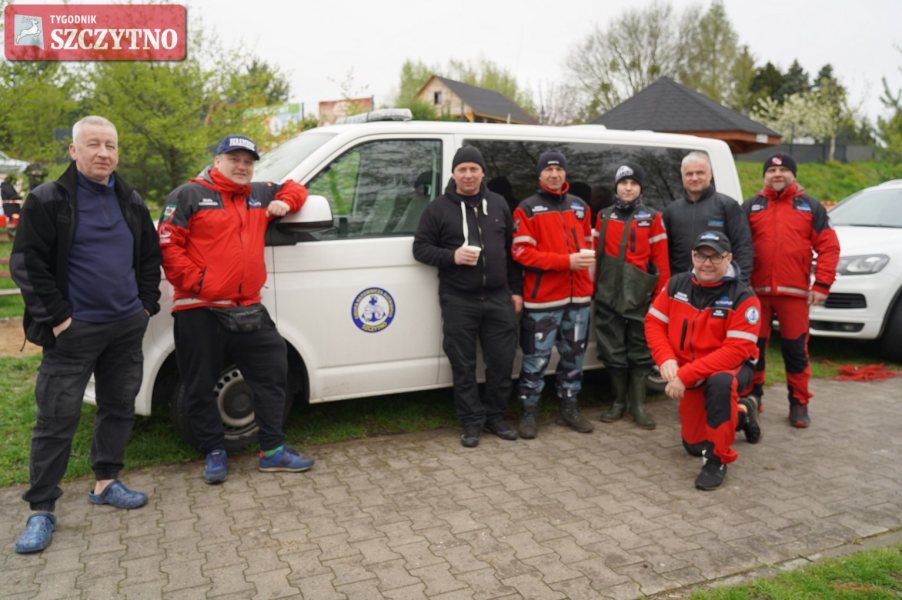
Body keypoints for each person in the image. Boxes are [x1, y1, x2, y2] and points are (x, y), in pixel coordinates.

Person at [9, 115, 161, 553]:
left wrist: (145, 305)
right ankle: (42, 509)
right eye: (93, 144)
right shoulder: (48, 199)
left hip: (125, 327)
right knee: (56, 419)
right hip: (74, 334)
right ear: (74, 150)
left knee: (118, 406)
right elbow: (27, 264)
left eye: (110, 145)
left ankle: (106, 482)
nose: (103, 153)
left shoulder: (130, 200)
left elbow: (148, 256)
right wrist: (59, 319)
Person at [158, 134, 314, 483]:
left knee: (273, 373)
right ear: (217, 162)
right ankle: (214, 451)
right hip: (199, 307)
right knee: (200, 385)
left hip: (248, 308)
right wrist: (201, 283)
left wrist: (285, 202)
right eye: (234, 160)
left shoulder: (259, 194)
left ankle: (272, 450)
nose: (242, 167)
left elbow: (296, 187)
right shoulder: (188, 195)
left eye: (248, 162)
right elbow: (169, 246)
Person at [413, 146, 522, 447]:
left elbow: (511, 252)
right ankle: (472, 422)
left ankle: (496, 417)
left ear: (483, 172)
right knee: (463, 364)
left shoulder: (498, 204)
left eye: (474, 169)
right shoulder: (437, 209)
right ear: (454, 173)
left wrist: (516, 290)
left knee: (502, 362)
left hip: (498, 297)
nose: (469, 175)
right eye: (463, 169)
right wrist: (452, 256)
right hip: (459, 298)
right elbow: (420, 248)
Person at [645, 231, 762, 490]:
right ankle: (742, 413)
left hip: (730, 368)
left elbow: (735, 351)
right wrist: (665, 359)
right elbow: (654, 323)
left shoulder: (743, 297)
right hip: (691, 370)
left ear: (728, 258)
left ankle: (717, 460)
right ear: (692, 256)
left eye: (715, 257)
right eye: (701, 256)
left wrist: (685, 376)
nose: (706, 263)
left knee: (720, 384)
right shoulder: (676, 284)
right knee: (693, 445)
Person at [742, 153, 840, 428]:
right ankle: (752, 398)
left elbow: (829, 247)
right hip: (756, 294)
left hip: (794, 294)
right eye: (772, 171)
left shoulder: (811, 207)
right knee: (752, 349)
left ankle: (799, 403)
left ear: (793, 174)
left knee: (795, 351)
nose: (777, 174)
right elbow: (738, 246)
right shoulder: (751, 206)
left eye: (784, 170)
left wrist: (822, 284)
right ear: (764, 176)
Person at [512, 150, 595, 438]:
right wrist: (566, 262)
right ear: (540, 174)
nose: (554, 174)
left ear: (565, 173)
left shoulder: (580, 206)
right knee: (536, 360)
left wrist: (584, 268)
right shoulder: (527, 208)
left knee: (574, 358)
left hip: (579, 299)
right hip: (543, 301)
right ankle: (528, 411)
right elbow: (522, 253)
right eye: (548, 170)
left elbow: (588, 244)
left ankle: (569, 408)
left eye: (559, 169)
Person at [593, 162, 670, 429]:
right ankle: (618, 402)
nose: (628, 188)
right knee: (611, 348)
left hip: (640, 294)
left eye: (633, 183)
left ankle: (638, 405)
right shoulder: (603, 216)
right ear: (616, 187)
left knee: (640, 350)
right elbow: (595, 256)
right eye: (623, 183)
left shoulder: (652, 218)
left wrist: (660, 297)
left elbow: (661, 262)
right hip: (608, 292)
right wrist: (593, 288)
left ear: (640, 188)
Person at [664, 151, 753, 284]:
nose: (694, 178)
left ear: (710, 174)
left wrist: (739, 284)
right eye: (689, 174)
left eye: (700, 173)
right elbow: (663, 254)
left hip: (719, 286)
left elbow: (743, 248)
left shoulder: (728, 206)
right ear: (682, 177)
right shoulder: (671, 211)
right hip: (682, 286)